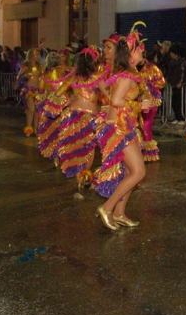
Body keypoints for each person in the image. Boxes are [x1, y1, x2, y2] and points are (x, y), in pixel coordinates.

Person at [93, 25, 151, 229]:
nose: (143, 51)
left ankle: (119, 212)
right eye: (139, 48)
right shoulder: (126, 74)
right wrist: (139, 104)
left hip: (124, 125)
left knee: (129, 172)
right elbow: (116, 100)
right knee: (139, 172)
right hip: (120, 128)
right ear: (130, 51)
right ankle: (107, 208)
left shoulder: (127, 72)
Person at [55, 48, 104, 190]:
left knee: (77, 147)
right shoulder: (97, 77)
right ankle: (84, 176)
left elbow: (58, 94)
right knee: (88, 147)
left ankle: (79, 178)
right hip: (90, 117)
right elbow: (109, 94)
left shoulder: (72, 77)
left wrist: (69, 99)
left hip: (73, 115)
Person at [35, 51, 70, 160]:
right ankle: (64, 153)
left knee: (52, 131)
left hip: (50, 106)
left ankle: (55, 157)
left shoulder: (44, 76)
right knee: (64, 129)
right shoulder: (66, 73)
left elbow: (40, 91)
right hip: (64, 104)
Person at [137, 42, 166, 162]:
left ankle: (149, 153)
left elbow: (162, 81)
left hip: (150, 101)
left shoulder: (152, 67)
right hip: (137, 101)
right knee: (139, 125)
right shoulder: (132, 69)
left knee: (147, 124)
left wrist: (150, 86)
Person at [16, 47, 43, 136]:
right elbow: (19, 76)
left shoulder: (40, 66)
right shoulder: (26, 65)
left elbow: (43, 78)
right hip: (29, 89)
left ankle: (36, 129)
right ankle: (28, 128)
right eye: (35, 54)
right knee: (31, 109)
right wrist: (24, 77)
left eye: (38, 54)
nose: (36, 56)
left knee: (36, 110)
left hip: (38, 90)